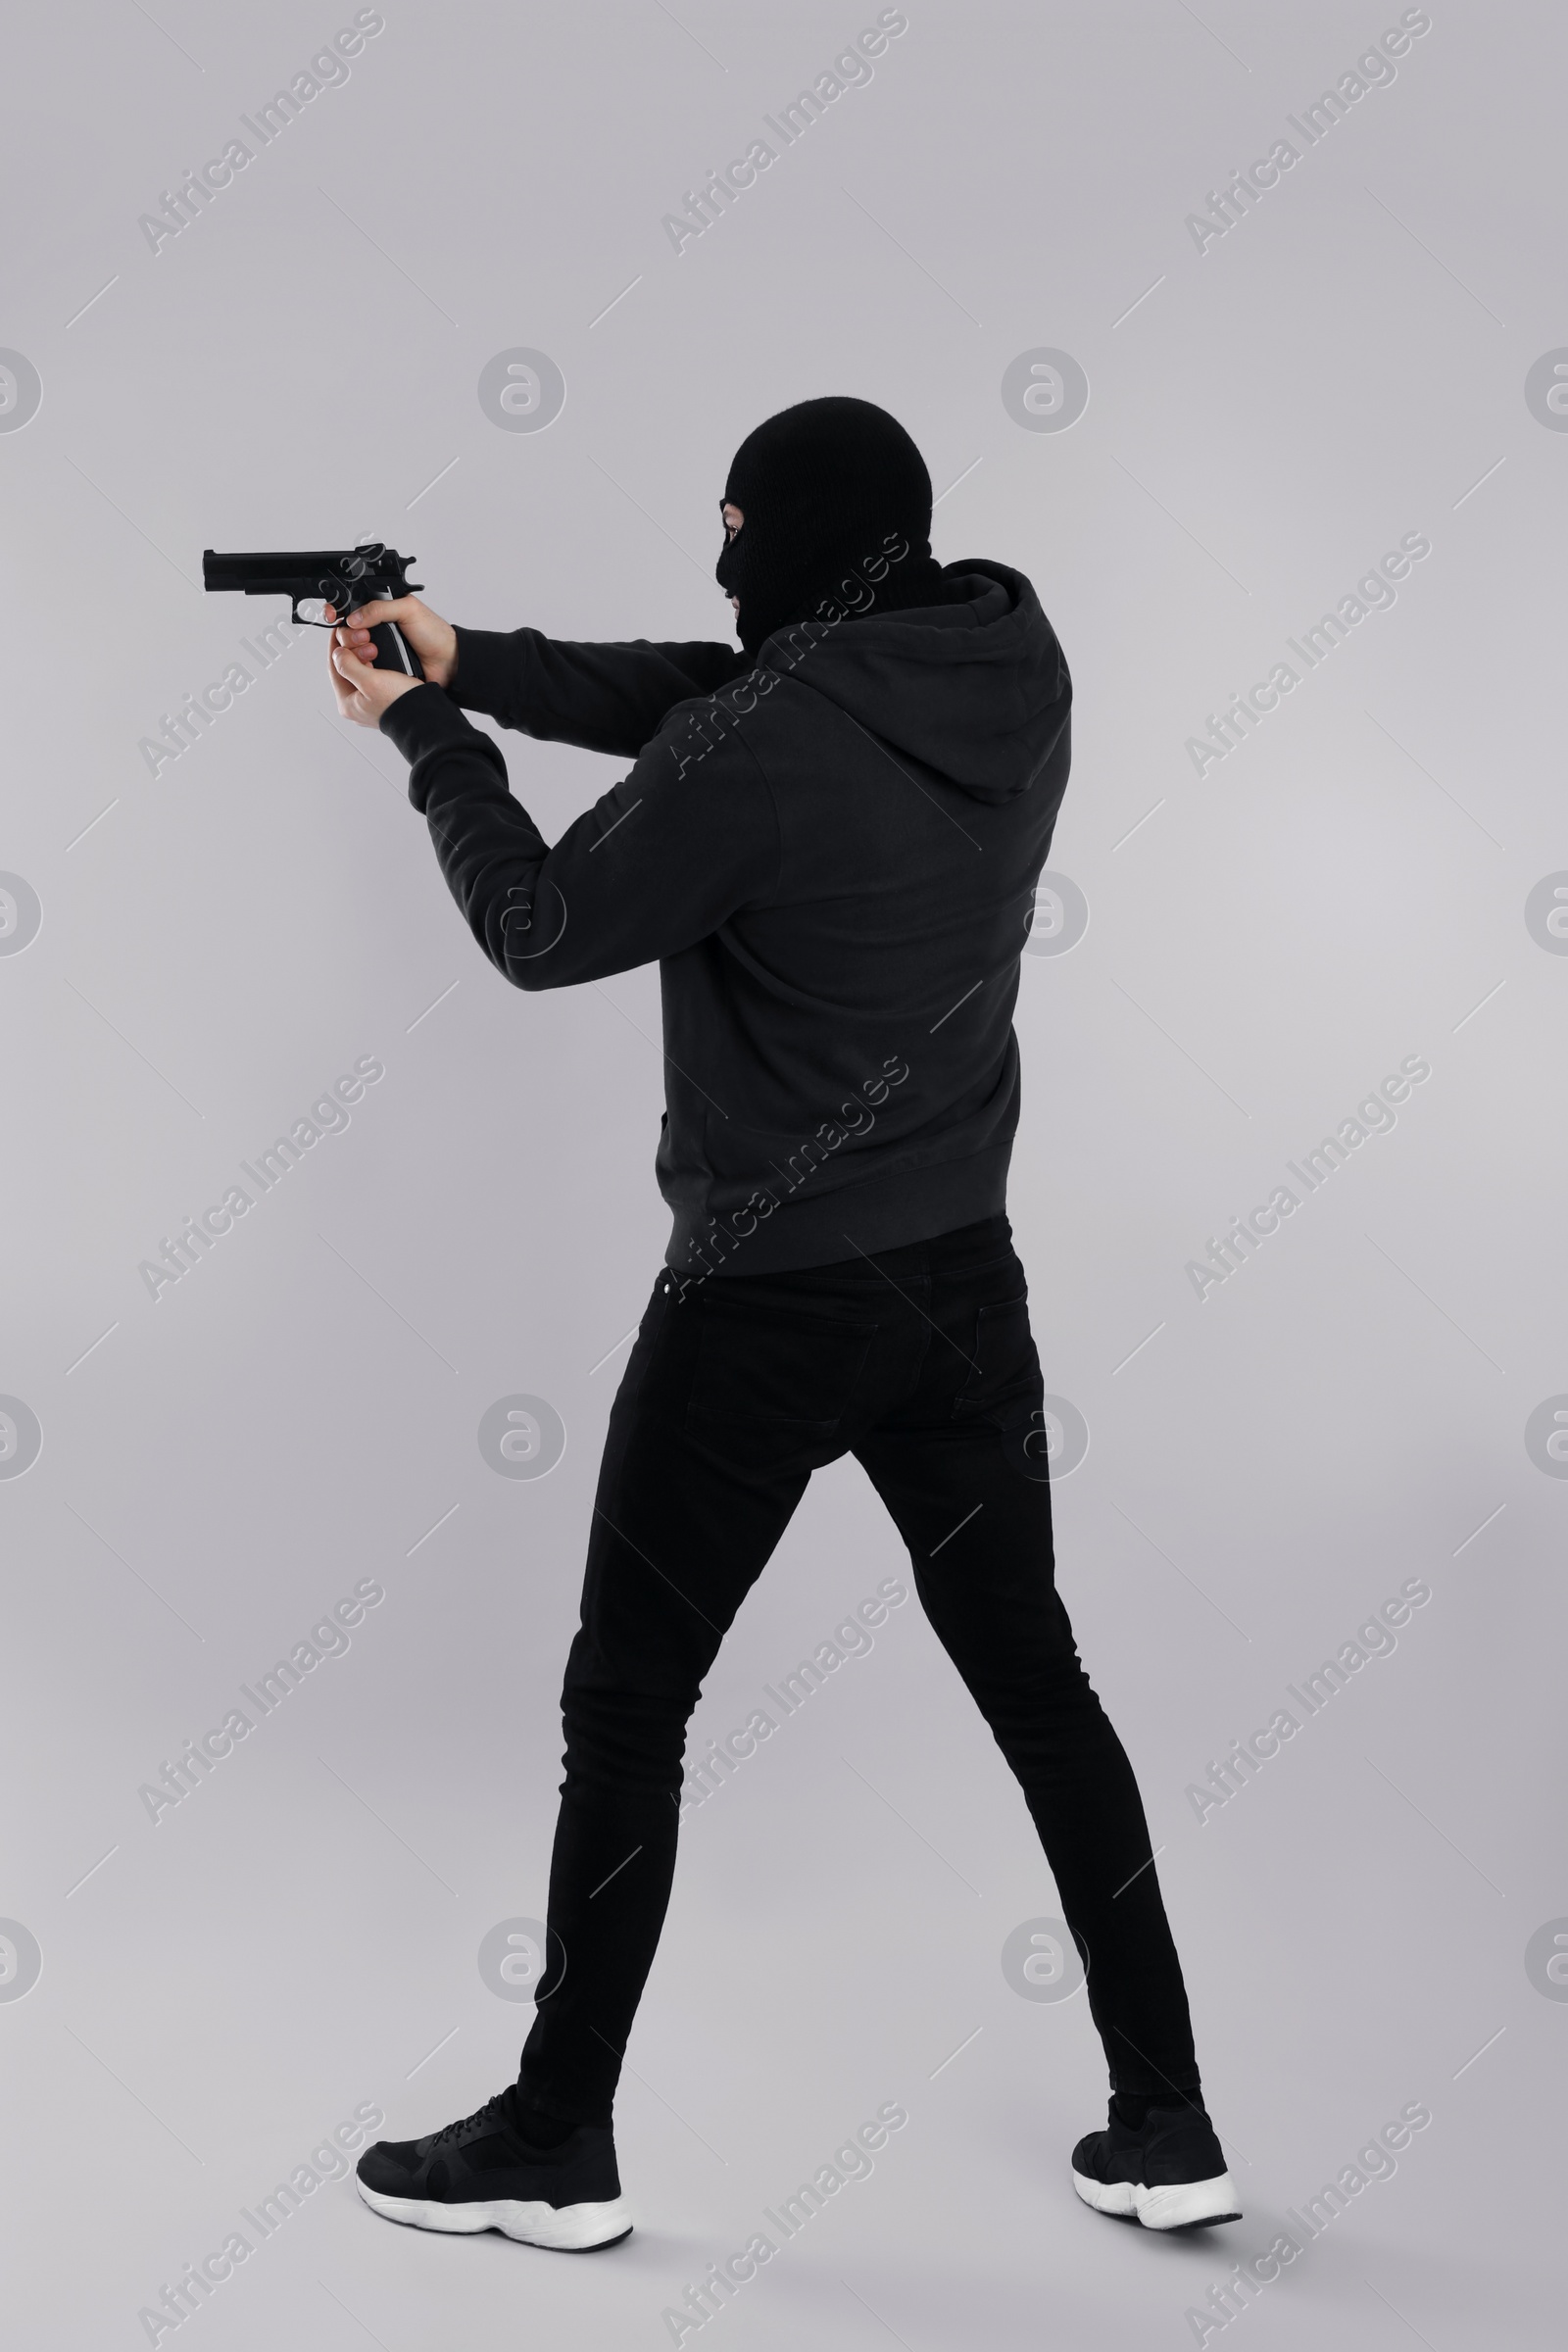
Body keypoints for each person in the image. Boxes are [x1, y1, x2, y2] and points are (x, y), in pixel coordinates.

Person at [326, 396, 1239, 2252]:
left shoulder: (763, 739)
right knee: (1042, 1691)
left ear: (787, 540)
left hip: (762, 1302)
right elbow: (738, 689)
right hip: (963, 1297)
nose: (718, 556)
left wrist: (424, 732)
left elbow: (543, 921)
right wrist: (477, 656)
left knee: (627, 1708)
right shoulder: (1011, 655)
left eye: (731, 523)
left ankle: (555, 2142)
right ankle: (1170, 2123)